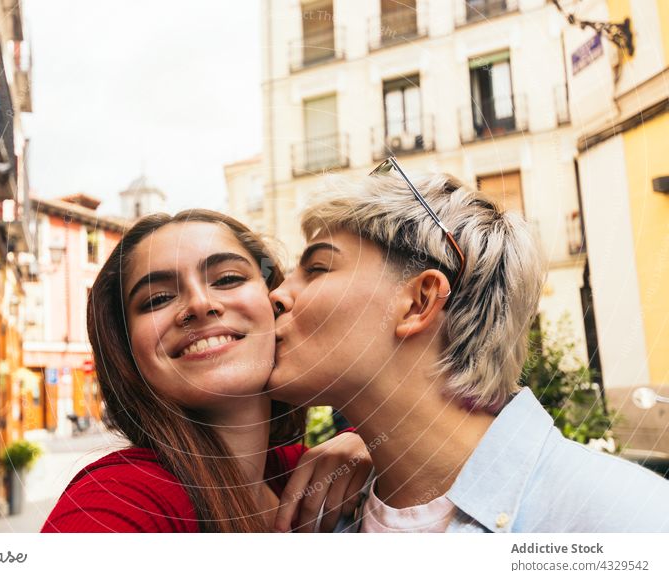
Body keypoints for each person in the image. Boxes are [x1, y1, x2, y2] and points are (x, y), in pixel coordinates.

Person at [268, 158, 669, 533]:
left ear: (419, 302)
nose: (278, 295)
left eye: (317, 269)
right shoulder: (326, 515)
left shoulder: (631, 520)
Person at [42, 209, 371, 533]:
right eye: (157, 299)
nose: (199, 304)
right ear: (127, 351)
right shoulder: (124, 496)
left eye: (228, 279)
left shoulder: (299, 471)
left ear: (277, 303)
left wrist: (373, 443)